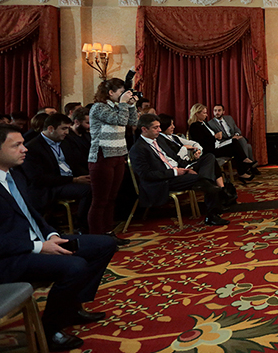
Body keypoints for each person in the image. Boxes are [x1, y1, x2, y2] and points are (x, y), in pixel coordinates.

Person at [0, 124, 116, 351]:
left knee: (104, 244)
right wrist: (38, 247)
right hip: (3, 258)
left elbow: (31, 213)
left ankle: (71, 306)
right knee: (74, 266)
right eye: (16, 145)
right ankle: (49, 331)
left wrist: (51, 234)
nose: (25, 149)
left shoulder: (14, 174)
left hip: (35, 241)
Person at [129, 114, 230, 225]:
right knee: (203, 177)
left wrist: (187, 168)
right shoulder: (138, 149)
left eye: (159, 127)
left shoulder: (159, 140)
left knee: (209, 158)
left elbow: (175, 158)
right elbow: (146, 175)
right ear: (144, 129)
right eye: (155, 128)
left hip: (178, 170)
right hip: (165, 180)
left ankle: (205, 182)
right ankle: (212, 213)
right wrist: (175, 172)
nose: (160, 130)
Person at [88, 78, 138, 243]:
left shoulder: (117, 107)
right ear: (110, 93)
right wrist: (124, 104)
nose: (123, 95)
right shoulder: (98, 107)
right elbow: (120, 120)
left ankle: (108, 233)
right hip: (102, 156)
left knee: (112, 198)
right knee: (100, 200)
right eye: (121, 92)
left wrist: (131, 105)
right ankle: (97, 238)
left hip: (118, 155)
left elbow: (132, 122)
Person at [22, 113, 92, 231]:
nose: (67, 132)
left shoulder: (66, 141)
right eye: (63, 129)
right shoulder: (33, 148)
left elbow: (76, 163)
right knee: (89, 190)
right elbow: (38, 178)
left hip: (69, 180)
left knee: (98, 184)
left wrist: (88, 175)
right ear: (50, 129)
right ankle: (81, 226)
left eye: (68, 129)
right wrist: (73, 180)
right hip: (50, 186)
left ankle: (97, 223)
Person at [188, 104, 253, 181]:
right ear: (197, 114)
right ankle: (243, 167)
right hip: (209, 150)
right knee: (235, 148)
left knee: (235, 143)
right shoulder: (194, 126)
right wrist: (215, 137)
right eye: (204, 113)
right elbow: (201, 142)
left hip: (216, 145)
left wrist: (216, 137)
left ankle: (244, 166)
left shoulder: (204, 123)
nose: (206, 115)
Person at [207, 103, 257, 169]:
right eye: (215, 110)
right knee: (246, 146)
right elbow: (216, 138)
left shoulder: (229, 118)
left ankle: (249, 165)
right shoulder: (210, 123)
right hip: (224, 142)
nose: (217, 113)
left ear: (223, 112)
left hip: (234, 139)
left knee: (247, 145)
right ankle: (247, 165)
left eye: (219, 110)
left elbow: (237, 130)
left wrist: (236, 135)